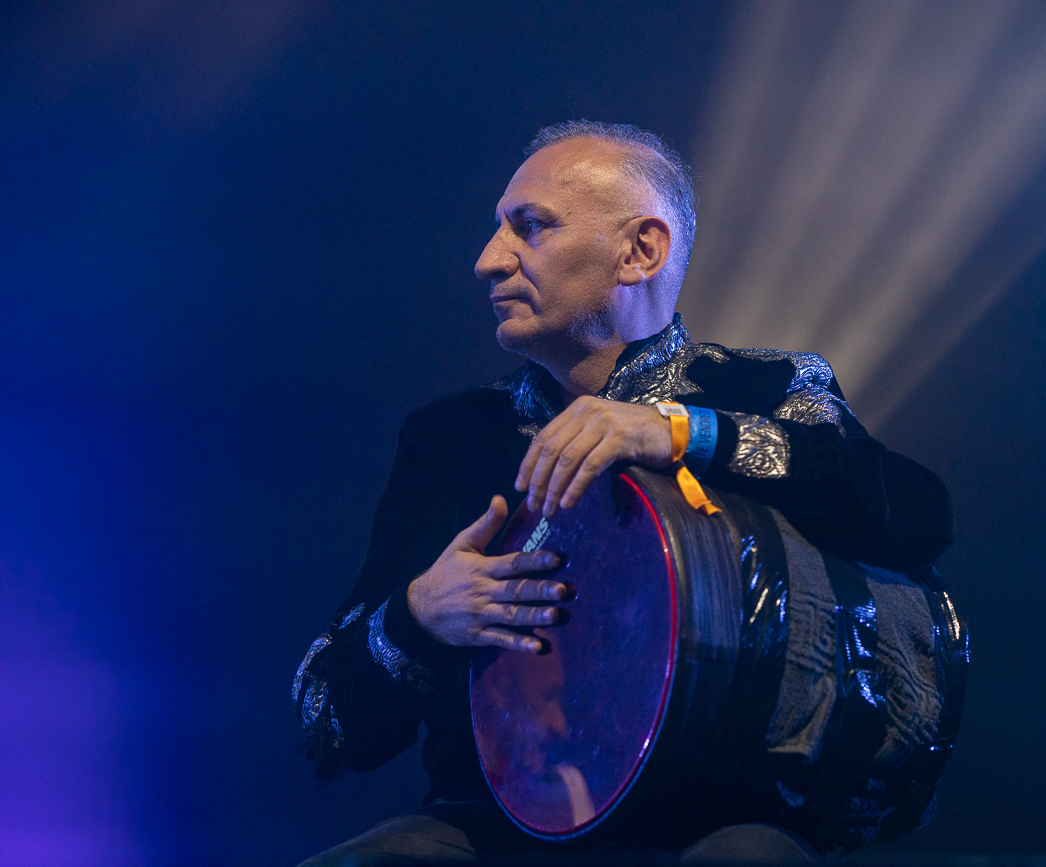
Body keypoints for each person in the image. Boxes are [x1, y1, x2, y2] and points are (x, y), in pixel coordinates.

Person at [293, 121, 956, 866]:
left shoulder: (765, 388)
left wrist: (683, 432)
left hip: (716, 820)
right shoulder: (450, 437)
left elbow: (918, 516)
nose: (488, 260)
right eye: (497, 229)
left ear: (641, 250)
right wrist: (419, 615)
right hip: (495, 827)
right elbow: (322, 716)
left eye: (530, 226)